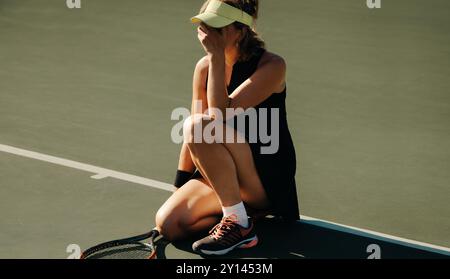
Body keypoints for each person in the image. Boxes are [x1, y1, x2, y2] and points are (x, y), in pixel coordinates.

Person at [155, 0, 299, 256]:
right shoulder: (204, 68)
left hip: (264, 176)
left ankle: (240, 226)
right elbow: (191, 141)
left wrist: (215, 57)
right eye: (206, 23)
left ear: (241, 30)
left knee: (200, 126)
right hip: (224, 172)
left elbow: (218, 116)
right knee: (169, 224)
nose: (209, 31)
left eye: (218, 26)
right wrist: (179, 188)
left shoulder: (272, 66)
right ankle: (240, 214)